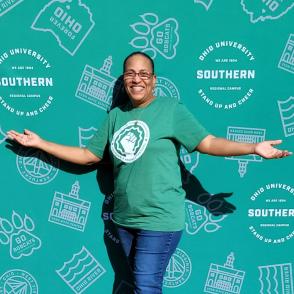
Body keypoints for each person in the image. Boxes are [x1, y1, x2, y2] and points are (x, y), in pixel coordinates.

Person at [7, 51, 292, 294]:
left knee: (146, 286)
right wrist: (40, 143)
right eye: (131, 73)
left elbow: (207, 142)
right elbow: (88, 156)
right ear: (124, 80)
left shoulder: (171, 110)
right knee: (138, 283)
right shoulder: (115, 116)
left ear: (154, 80)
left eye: (144, 74)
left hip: (160, 219)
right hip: (124, 219)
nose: (137, 79)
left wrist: (253, 147)